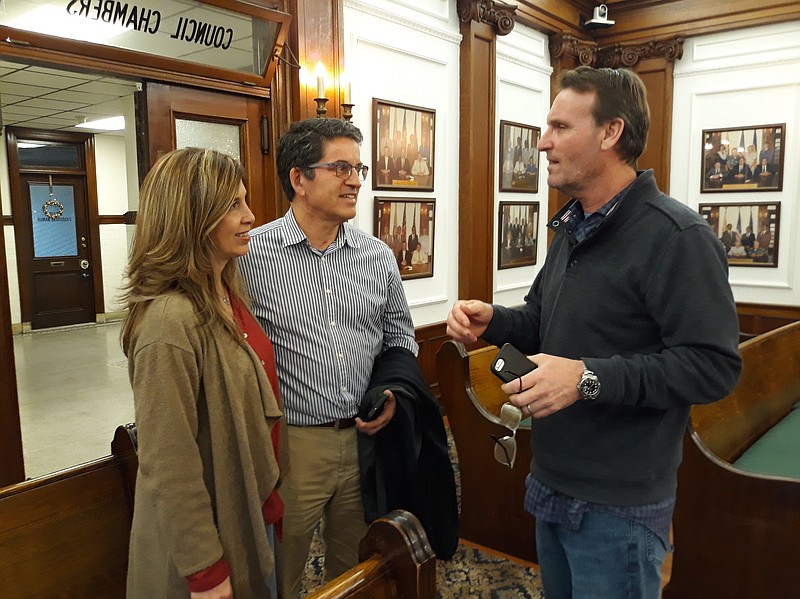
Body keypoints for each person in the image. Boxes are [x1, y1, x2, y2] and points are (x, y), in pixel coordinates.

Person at [446, 66, 741, 599]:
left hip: (620, 505)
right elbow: (542, 324)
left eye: (560, 126)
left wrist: (586, 379)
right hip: (552, 480)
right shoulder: (571, 228)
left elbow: (714, 367)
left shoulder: (677, 238)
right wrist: (496, 321)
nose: (542, 143)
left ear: (611, 133)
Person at [238, 118, 418, 598]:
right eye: (340, 168)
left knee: (356, 567)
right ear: (299, 179)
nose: (356, 180)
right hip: (291, 445)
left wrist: (394, 393)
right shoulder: (248, 256)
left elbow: (402, 336)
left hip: (363, 443)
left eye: (358, 168)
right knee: (281, 569)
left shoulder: (377, 256)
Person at [121, 148, 284, 598]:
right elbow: (169, 460)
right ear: (192, 216)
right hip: (208, 545)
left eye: (245, 201)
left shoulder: (226, 294)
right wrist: (205, 572)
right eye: (234, 205)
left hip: (248, 510)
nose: (251, 216)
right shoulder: (169, 321)